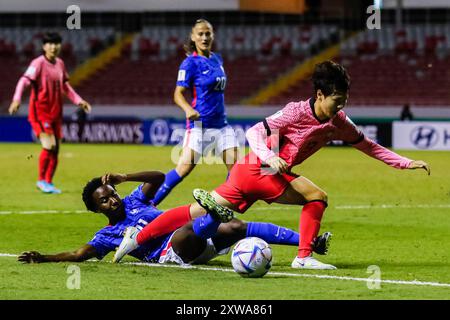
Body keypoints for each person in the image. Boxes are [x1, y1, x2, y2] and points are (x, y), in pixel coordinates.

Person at [117, 60, 430, 270]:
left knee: (195, 212)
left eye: (344, 101)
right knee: (316, 196)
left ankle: (136, 239)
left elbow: (369, 147)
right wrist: (270, 157)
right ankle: (304, 257)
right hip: (259, 167)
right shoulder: (296, 112)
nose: (341, 106)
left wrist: (405, 163)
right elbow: (254, 132)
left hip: (250, 172)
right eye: (337, 100)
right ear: (320, 95)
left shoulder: (339, 122)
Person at [18, 170, 331, 266]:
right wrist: (44, 258)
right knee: (184, 226)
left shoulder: (134, 199)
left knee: (236, 226)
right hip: (172, 252)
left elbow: (158, 176)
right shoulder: (106, 237)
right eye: (104, 200)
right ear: (96, 209)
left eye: (111, 193)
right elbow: (79, 253)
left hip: (195, 239)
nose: (112, 199)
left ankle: (305, 245)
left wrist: (124, 177)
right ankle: (209, 212)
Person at [151, 19, 239, 206]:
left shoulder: (217, 59)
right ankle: (148, 204)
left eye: (208, 33)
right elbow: (178, 95)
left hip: (221, 125)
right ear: (193, 37)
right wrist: (188, 109)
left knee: (236, 169)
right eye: (200, 34)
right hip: (200, 124)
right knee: (183, 168)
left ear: (213, 35)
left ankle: (221, 206)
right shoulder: (189, 63)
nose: (204, 37)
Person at [8, 32, 92, 194]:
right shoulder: (38, 63)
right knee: (49, 145)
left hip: (56, 113)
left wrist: (79, 101)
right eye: (50, 44)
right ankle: (41, 180)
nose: (53, 47)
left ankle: (48, 182)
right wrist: (16, 99)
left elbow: (66, 87)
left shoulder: (60, 64)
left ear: (60, 45)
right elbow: (23, 80)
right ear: (44, 46)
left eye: (56, 43)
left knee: (56, 149)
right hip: (40, 111)